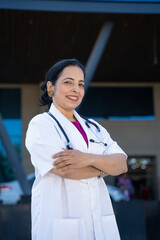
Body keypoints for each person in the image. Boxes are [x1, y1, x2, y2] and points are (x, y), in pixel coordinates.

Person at [25, 58, 128, 240]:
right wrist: (105, 167)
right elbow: (65, 170)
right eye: (68, 82)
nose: (76, 89)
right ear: (51, 87)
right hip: (61, 226)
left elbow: (121, 165)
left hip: (101, 224)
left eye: (80, 84)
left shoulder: (94, 127)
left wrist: (87, 159)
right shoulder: (41, 124)